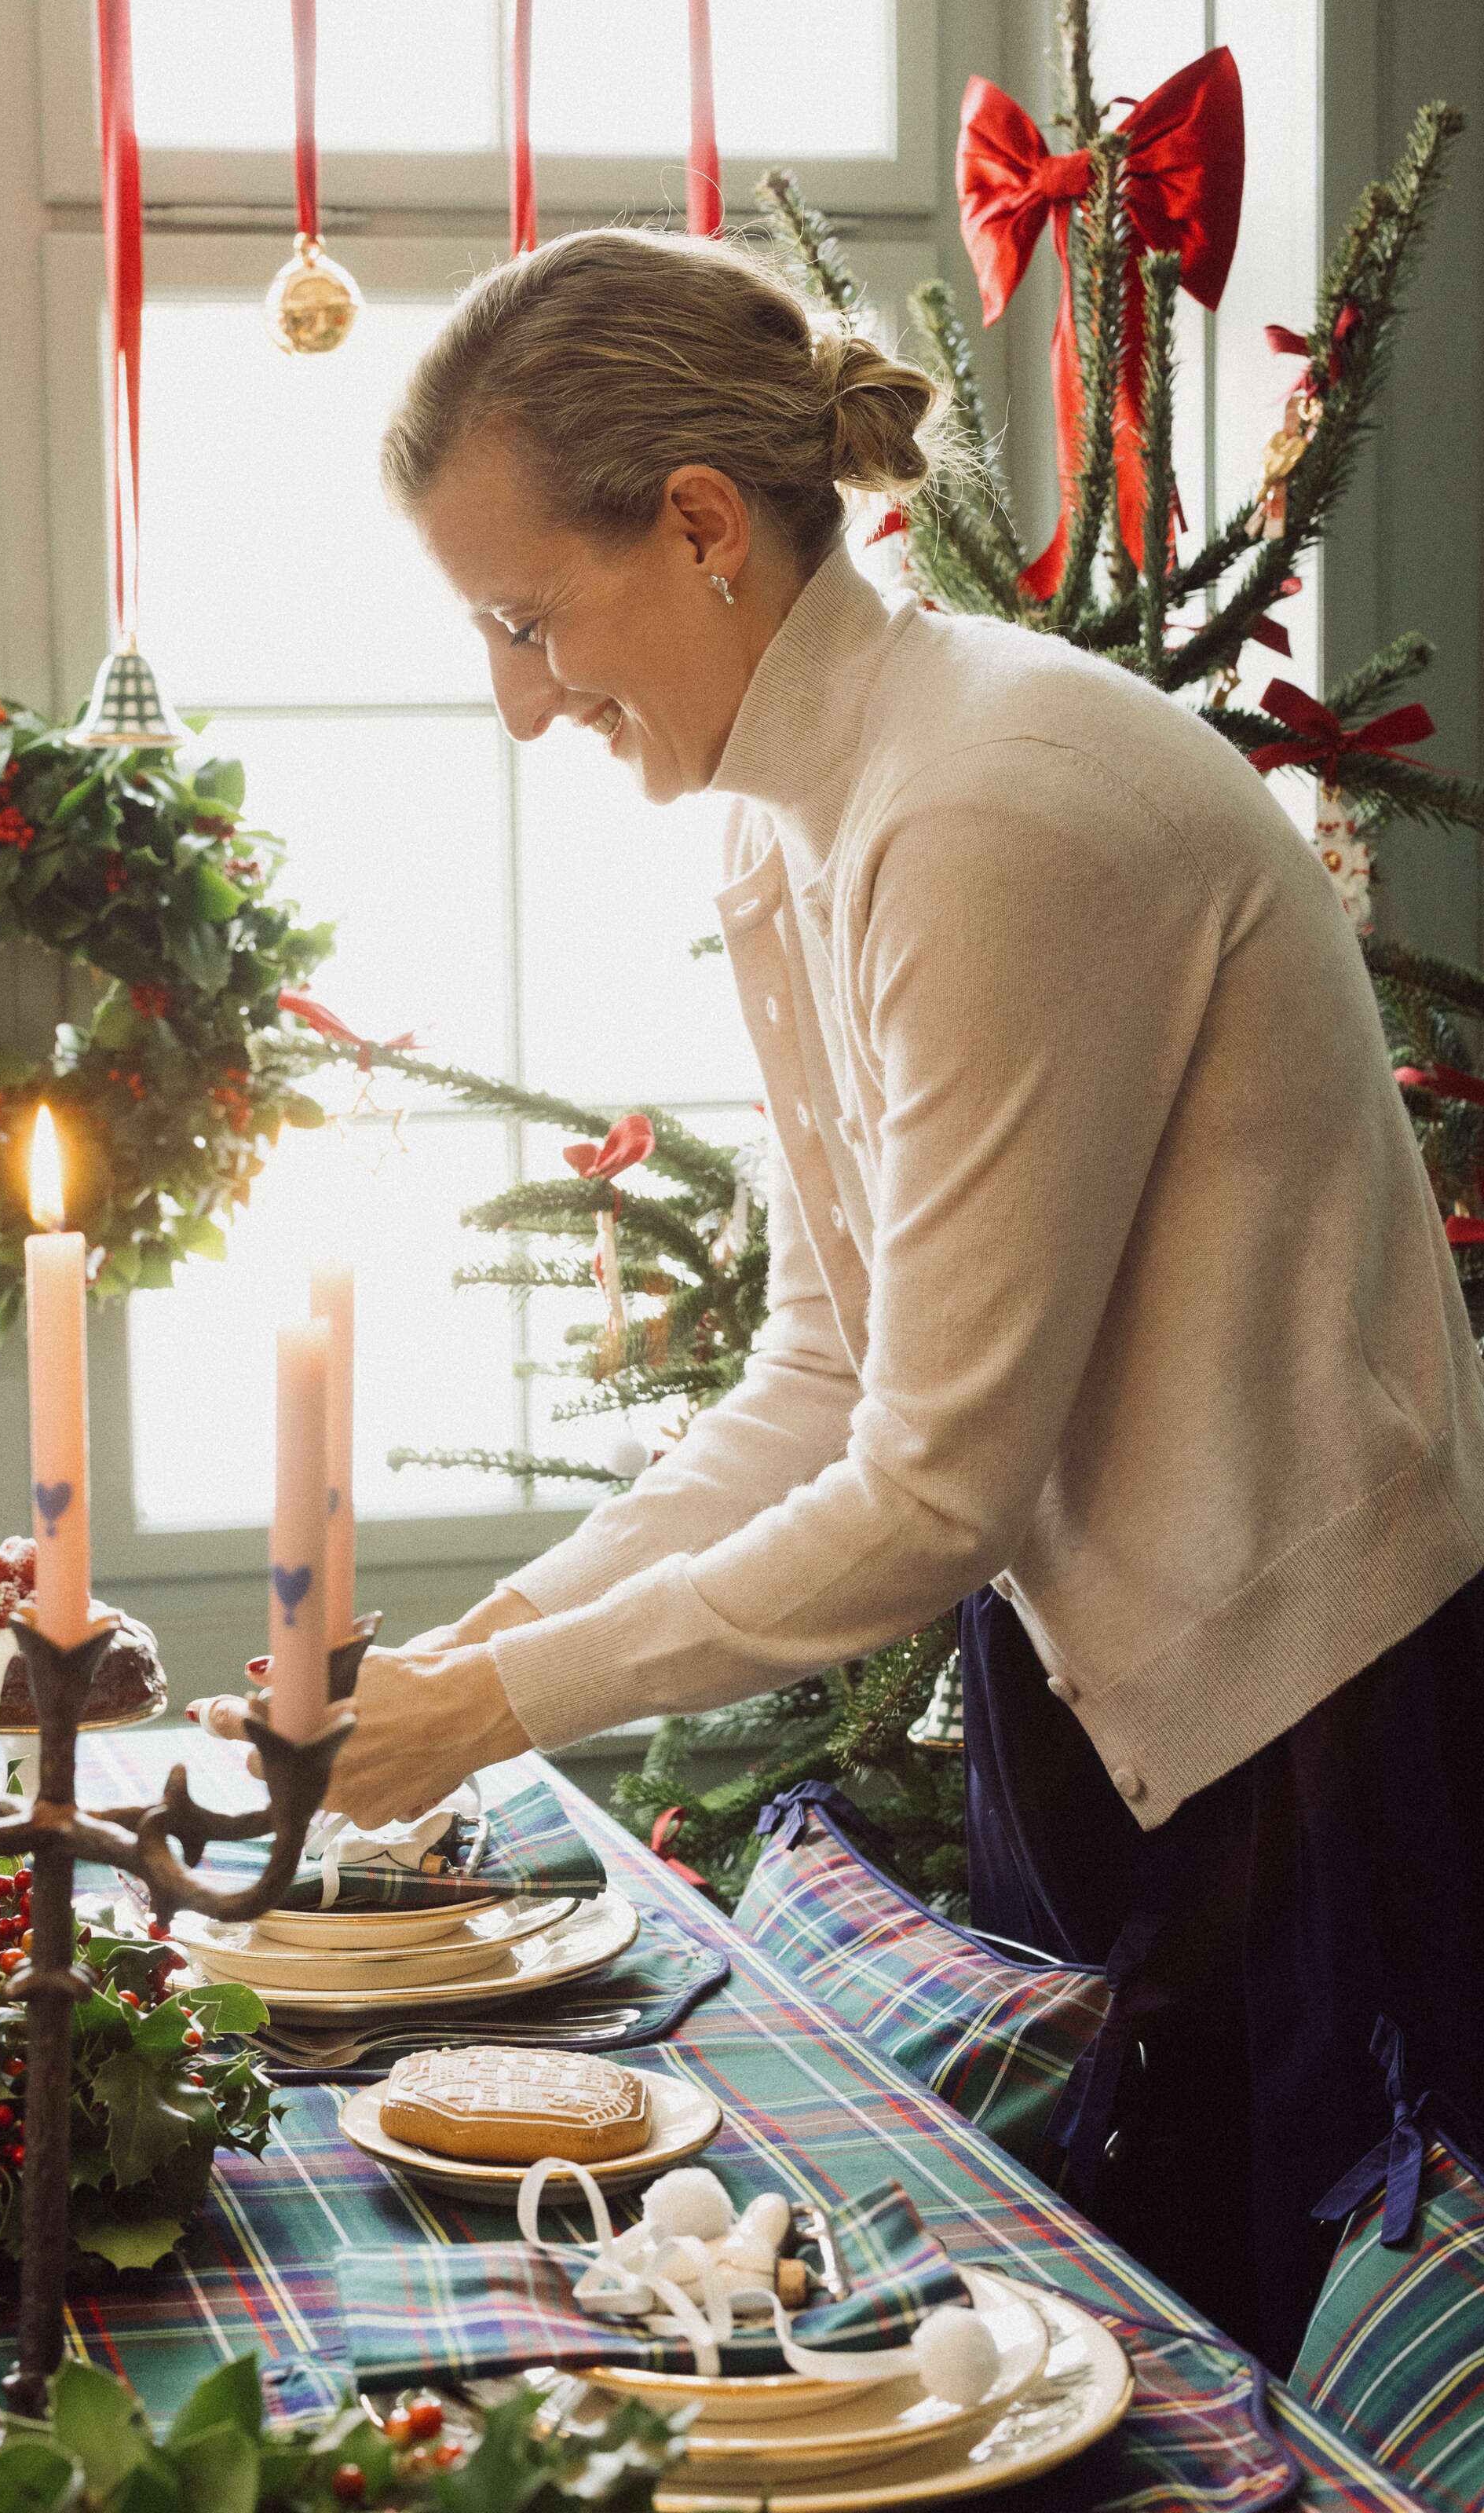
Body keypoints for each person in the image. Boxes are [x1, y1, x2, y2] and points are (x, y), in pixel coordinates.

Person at [195, 226, 1484, 2368]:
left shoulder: (985, 803)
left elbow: (935, 1482)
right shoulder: (796, 812)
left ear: (701, 527)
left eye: (530, 620)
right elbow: (820, 1366)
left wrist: (499, 1715)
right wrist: (489, 1642)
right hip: (1093, 1709)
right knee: (1112, 2348)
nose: (523, 701)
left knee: (1282, 2412)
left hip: (1316, 1727)